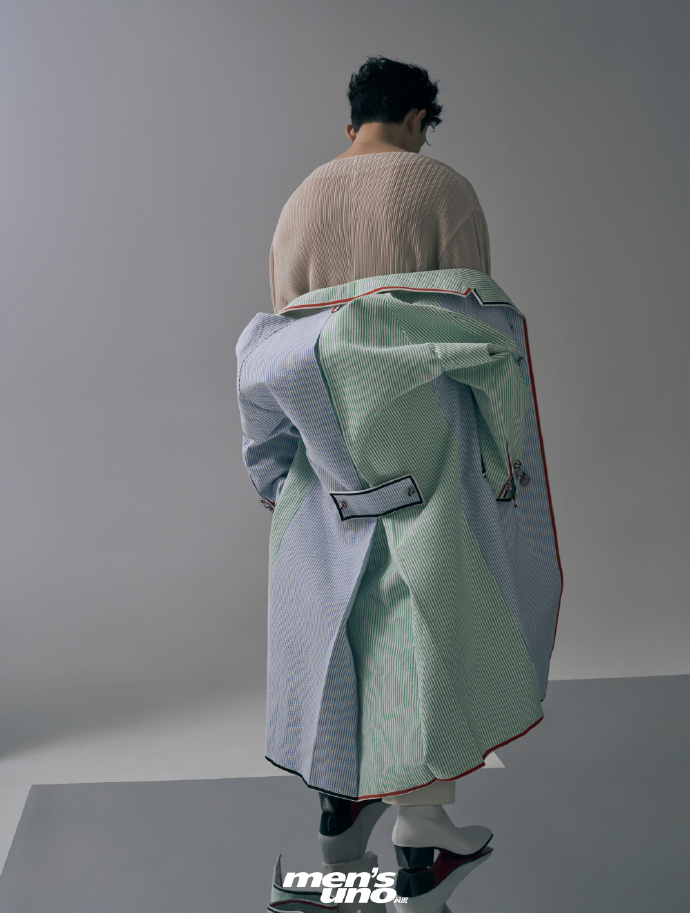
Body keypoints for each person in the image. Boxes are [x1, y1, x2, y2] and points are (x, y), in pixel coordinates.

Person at [248, 56, 562, 913]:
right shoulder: (442, 186)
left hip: (328, 438)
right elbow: (479, 319)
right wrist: (504, 455)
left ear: (351, 123)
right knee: (429, 609)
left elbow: (284, 332)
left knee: (342, 612)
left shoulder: (300, 200)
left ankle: (341, 795)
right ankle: (421, 824)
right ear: (419, 117)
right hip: (426, 428)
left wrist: (279, 460)